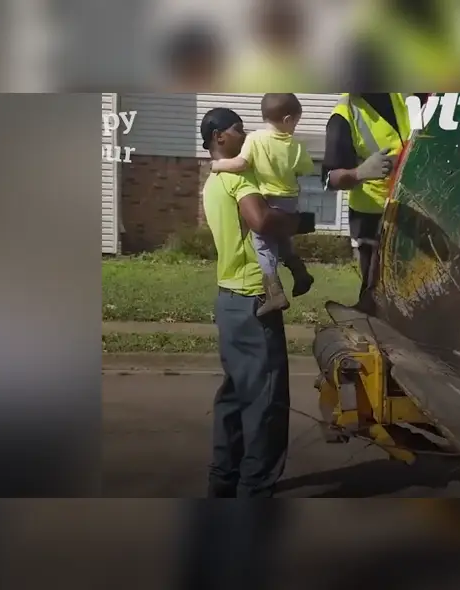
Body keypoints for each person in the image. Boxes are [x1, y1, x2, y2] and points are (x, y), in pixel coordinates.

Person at [199, 107, 317, 497]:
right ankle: (254, 490)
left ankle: (223, 480)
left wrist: (295, 264)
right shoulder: (239, 176)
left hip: (229, 300)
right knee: (266, 402)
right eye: (238, 129)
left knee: (235, 395)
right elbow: (262, 221)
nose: (246, 134)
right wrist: (304, 221)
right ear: (219, 137)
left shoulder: (212, 182)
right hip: (254, 300)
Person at [210, 93, 316, 316]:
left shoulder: (256, 139)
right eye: (296, 122)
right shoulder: (296, 145)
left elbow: (240, 164)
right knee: (282, 239)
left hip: (270, 199)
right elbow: (306, 169)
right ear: (287, 119)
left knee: (263, 244)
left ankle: (274, 293)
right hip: (290, 199)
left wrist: (218, 165)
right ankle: (300, 273)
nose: (295, 127)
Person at [322, 93, 426, 306]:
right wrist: (359, 173)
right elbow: (328, 179)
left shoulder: (403, 95)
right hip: (372, 216)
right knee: (377, 289)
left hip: (414, 205)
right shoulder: (344, 114)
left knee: (416, 286)